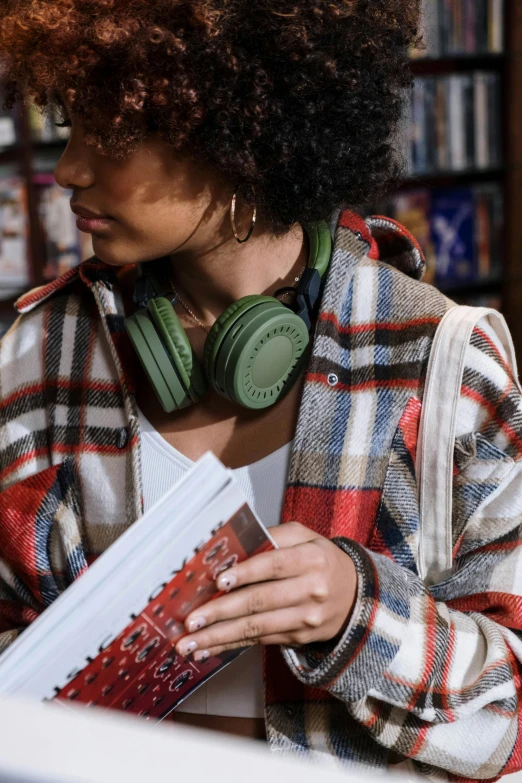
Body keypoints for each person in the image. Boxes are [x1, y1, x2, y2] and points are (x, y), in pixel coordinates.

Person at [0, 0, 521, 778]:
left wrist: (357, 610)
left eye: (116, 132)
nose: (70, 167)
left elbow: (509, 716)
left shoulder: (445, 361)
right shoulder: (37, 355)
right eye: (74, 121)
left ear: (238, 135)